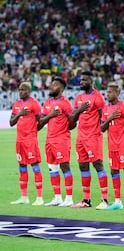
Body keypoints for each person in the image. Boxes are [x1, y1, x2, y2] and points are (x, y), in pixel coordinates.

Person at [71, 71, 109, 209]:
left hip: (93, 136)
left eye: (84, 80)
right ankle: (86, 200)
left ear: (91, 82)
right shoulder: (79, 98)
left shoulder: (98, 98)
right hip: (80, 137)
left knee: (98, 165)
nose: (81, 83)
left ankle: (104, 200)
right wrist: (79, 110)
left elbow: (102, 118)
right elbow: (72, 120)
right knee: (83, 166)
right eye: (80, 80)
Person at [38, 77, 76, 207]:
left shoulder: (66, 103)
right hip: (49, 139)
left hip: (61, 139)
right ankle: (58, 197)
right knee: (52, 168)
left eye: (54, 85)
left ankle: (69, 198)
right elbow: (41, 122)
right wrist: (50, 116)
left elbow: (72, 124)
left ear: (61, 88)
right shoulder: (48, 103)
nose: (51, 87)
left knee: (65, 166)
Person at [101, 83, 124, 211]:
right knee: (114, 172)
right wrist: (109, 118)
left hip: (123, 145)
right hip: (112, 146)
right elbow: (102, 128)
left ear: (117, 93)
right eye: (107, 92)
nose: (108, 94)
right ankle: (118, 201)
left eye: (111, 92)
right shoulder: (105, 109)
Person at [9, 82, 44, 206]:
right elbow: (11, 123)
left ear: (28, 91)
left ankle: (39, 198)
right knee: (22, 168)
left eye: (23, 90)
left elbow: (41, 122)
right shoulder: (17, 105)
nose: (20, 92)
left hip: (30, 141)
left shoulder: (34, 104)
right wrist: (19, 114)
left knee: (35, 168)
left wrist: (33, 132)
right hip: (19, 141)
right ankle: (24, 197)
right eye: (19, 90)